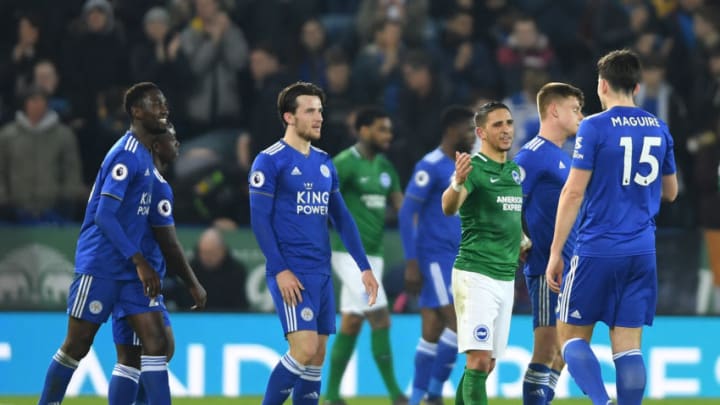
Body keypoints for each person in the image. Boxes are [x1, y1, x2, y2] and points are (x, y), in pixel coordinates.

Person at [545, 49, 678, 405]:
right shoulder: (659, 127)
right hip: (642, 251)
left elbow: (573, 192)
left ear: (602, 85)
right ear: (636, 86)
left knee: (570, 336)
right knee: (628, 347)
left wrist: (556, 251)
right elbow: (671, 192)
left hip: (597, 248)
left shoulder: (593, 126)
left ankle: (603, 403)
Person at [37, 82, 174, 405]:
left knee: (157, 344)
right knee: (78, 345)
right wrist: (140, 260)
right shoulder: (125, 155)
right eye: (157, 104)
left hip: (130, 271)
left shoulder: (144, 156)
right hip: (100, 265)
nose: (164, 109)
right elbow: (104, 216)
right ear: (137, 112)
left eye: (164, 103)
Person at [248, 81, 379, 405]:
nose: (319, 117)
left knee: (317, 356)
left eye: (320, 110)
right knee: (304, 348)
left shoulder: (324, 162)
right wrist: (280, 269)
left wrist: (364, 267)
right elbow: (259, 220)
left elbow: (342, 218)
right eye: (310, 111)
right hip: (292, 271)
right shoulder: (269, 161)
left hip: (321, 273)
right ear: (289, 117)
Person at [111, 122, 207, 405]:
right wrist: (193, 283)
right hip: (140, 279)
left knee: (135, 357)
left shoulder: (144, 179)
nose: (177, 143)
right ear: (156, 145)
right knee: (157, 348)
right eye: (173, 138)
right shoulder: (156, 184)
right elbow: (170, 244)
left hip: (130, 275)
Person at [440, 101, 524, 404]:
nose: (505, 130)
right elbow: (449, 207)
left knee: (486, 364)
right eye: (497, 125)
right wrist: (457, 181)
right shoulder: (473, 169)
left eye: (509, 123)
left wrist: (523, 241)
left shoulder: (514, 172)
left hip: (505, 276)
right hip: (476, 274)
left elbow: (509, 217)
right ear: (481, 132)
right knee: (477, 360)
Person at [325, 106, 406, 405]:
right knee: (381, 319)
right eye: (381, 129)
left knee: (351, 323)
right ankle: (397, 394)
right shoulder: (344, 164)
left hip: (376, 256)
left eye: (389, 129)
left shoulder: (385, 168)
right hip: (348, 256)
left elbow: (402, 207)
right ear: (363, 130)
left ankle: (332, 395)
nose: (388, 135)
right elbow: (323, 202)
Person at [513, 82, 584, 405]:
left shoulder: (562, 156)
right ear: (554, 110)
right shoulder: (532, 155)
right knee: (546, 349)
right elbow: (509, 202)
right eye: (575, 109)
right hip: (546, 268)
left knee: (563, 352)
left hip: (570, 266)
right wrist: (521, 242)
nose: (581, 117)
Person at [399, 106, 476, 405]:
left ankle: (418, 395)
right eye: (468, 130)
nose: (472, 135)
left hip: (459, 257)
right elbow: (407, 214)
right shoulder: (429, 165)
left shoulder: (465, 166)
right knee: (459, 323)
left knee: (432, 330)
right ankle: (433, 393)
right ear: (451, 131)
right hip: (435, 258)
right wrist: (411, 262)